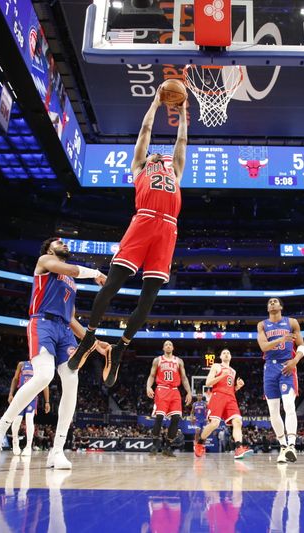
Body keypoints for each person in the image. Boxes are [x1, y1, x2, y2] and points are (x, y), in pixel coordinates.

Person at [67, 90, 189, 388]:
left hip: (168, 228)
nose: (163, 155)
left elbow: (182, 140)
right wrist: (156, 103)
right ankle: (90, 337)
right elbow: (146, 130)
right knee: (111, 285)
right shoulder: (140, 166)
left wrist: (183, 110)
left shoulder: (177, 170)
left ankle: (120, 346)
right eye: (155, 154)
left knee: (148, 300)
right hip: (144, 220)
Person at [0, 238, 108, 469]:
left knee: (72, 380)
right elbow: (70, 268)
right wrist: (96, 273)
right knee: (44, 376)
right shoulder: (45, 261)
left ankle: (57, 451)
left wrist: (95, 342)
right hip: (42, 323)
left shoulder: (71, 282)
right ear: (50, 248)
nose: (65, 245)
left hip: (63, 329)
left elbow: (71, 319)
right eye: (60, 242)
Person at [257, 298, 304, 464]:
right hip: (269, 368)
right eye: (269, 302)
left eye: (275, 301)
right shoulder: (262, 325)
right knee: (273, 411)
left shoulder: (292, 322)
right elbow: (264, 347)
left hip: (287, 366)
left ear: (281, 307)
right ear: (267, 307)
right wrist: (281, 340)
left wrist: (295, 361)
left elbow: (301, 346)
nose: (272, 303)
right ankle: (283, 447)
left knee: (289, 405)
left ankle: (292, 445)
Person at [194, 349, 252, 460]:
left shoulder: (233, 371)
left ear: (230, 357)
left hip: (230, 397)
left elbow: (230, 389)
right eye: (224, 353)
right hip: (218, 395)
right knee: (215, 423)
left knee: (238, 421)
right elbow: (208, 383)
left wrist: (237, 387)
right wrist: (222, 375)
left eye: (228, 353)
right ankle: (200, 443)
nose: (226, 354)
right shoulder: (216, 366)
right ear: (220, 356)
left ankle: (239, 448)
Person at [146, 340, 193, 457]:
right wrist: (148, 387)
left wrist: (189, 392)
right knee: (159, 417)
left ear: (173, 348)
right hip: (162, 389)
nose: (168, 346)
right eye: (166, 344)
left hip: (175, 391)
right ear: (163, 348)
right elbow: (152, 375)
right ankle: (155, 445)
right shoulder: (158, 360)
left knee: (176, 418)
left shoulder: (179, 361)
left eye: (170, 344)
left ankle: (167, 446)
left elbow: (184, 377)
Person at [8, 360, 51, 457]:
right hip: (20, 395)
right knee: (17, 420)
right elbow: (15, 379)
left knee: (29, 419)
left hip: (32, 396)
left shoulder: (40, 366)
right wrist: (11, 394)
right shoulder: (22, 364)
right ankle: (15, 441)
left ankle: (28, 446)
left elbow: (45, 384)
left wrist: (47, 401)